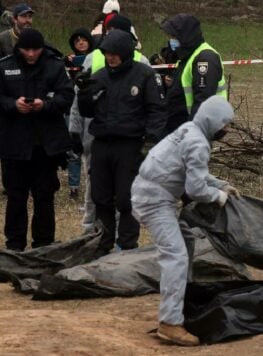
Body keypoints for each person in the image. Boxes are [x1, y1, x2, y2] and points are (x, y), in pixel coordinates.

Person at [131, 95, 239, 346]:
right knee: (176, 255)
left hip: (151, 193)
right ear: (213, 122)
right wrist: (219, 197)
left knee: (187, 240)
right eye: (225, 125)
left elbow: (193, 170)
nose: (227, 130)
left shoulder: (189, 130)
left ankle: (184, 301)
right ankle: (170, 323)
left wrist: (219, 183)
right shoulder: (198, 143)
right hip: (154, 201)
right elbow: (196, 189)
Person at [77, 29, 166, 259]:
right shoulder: (99, 76)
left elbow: (156, 110)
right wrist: (83, 93)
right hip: (102, 144)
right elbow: (87, 111)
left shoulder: (144, 75)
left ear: (126, 53)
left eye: (115, 54)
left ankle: (127, 246)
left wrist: (150, 141)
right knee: (101, 197)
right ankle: (103, 244)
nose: (110, 57)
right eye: (107, 53)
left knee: (126, 198)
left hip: (130, 145)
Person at [68, 15, 150, 234]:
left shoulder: (142, 64)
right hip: (94, 135)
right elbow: (79, 97)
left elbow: (150, 105)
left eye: (115, 30)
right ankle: (91, 233)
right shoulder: (93, 58)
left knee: (124, 193)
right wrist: (74, 130)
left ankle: (121, 239)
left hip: (128, 140)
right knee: (95, 192)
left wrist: (147, 139)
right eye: (108, 30)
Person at [0, 28, 74, 251]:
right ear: (18, 48)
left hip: (46, 146)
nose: (31, 54)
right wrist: (13, 105)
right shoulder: (5, 66)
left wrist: (45, 105)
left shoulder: (54, 65)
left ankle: (44, 245)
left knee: (44, 197)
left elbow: (66, 96)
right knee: (15, 197)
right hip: (14, 144)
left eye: (35, 49)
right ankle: (15, 246)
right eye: (26, 49)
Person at [160, 13, 227, 134]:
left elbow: (203, 100)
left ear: (185, 36)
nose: (170, 40)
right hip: (180, 126)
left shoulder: (205, 58)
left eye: (173, 36)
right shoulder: (187, 55)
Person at [65, 28, 94, 200]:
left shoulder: (97, 58)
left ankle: (93, 184)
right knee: (74, 149)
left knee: (92, 150)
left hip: (92, 109)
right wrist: (68, 66)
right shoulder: (69, 62)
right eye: (77, 41)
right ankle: (74, 186)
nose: (81, 43)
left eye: (84, 39)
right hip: (73, 107)